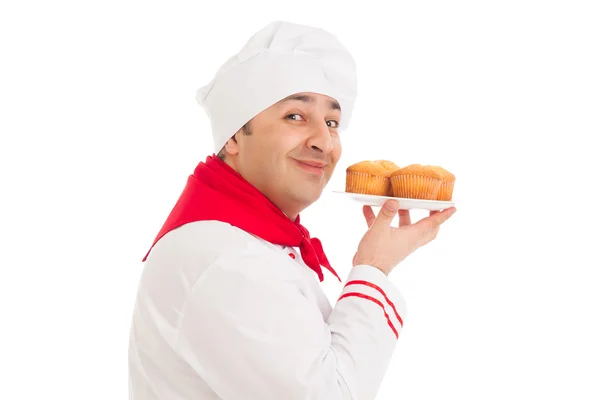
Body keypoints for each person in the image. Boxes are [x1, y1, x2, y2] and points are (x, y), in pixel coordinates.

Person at [128, 20, 457, 400]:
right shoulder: (225, 259)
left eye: (332, 122)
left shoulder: (243, 242)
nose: (324, 141)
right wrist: (374, 267)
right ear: (234, 135)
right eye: (295, 117)